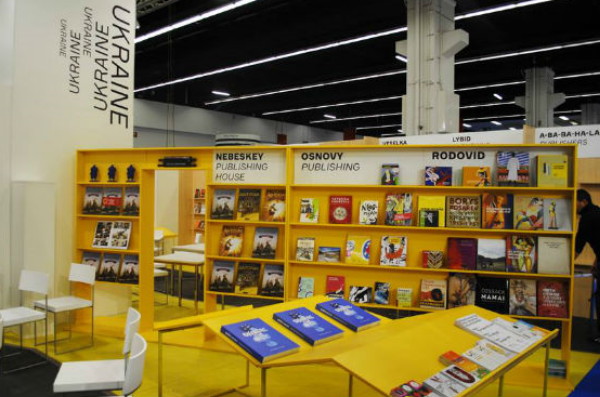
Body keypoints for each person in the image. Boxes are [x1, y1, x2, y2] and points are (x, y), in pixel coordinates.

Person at [575, 189, 600, 343]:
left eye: (575, 202)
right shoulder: (597, 211)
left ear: (583, 201)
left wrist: (563, 266)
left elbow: (578, 246)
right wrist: (596, 261)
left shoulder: (587, 218)